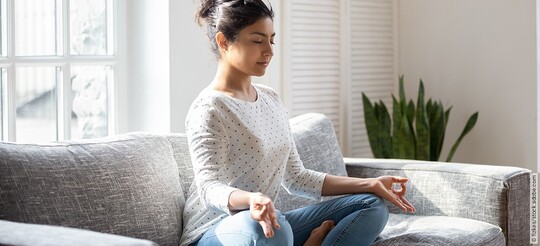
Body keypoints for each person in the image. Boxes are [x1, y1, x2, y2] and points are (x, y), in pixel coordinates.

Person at [182, 0, 416, 245]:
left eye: (271, 40)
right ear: (223, 41)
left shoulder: (270, 99)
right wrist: (251, 199)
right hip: (214, 231)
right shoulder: (210, 107)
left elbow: (296, 178)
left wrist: (370, 184)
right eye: (257, 40)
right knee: (273, 228)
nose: (269, 51)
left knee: (371, 206)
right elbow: (208, 187)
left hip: (269, 226)